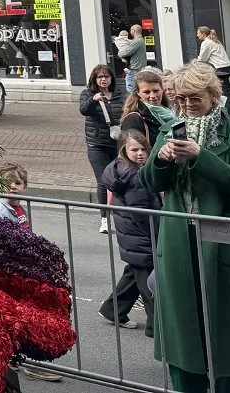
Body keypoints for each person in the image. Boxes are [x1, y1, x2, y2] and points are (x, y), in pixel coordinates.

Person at [142, 61, 230, 392]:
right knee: (184, 336)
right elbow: (148, 180)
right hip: (179, 246)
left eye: (195, 98)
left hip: (223, 247)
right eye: (182, 99)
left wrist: (200, 156)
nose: (187, 105)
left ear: (213, 96)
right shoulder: (169, 129)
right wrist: (160, 160)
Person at [98, 129, 159, 334]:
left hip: (132, 234)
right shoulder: (135, 175)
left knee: (135, 272)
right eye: (135, 149)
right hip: (141, 235)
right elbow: (141, 212)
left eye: (144, 149)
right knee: (148, 283)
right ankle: (155, 326)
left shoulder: (120, 168)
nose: (140, 153)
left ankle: (113, 309)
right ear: (124, 150)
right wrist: (156, 232)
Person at [79, 64, 124, 233]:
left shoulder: (120, 95)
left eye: (107, 76)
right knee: (103, 181)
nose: (104, 79)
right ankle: (104, 218)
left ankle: (121, 214)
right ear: (95, 80)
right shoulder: (87, 94)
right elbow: (83, 110)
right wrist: (94, 99)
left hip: (118, 145)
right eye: (100, 77)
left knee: (120, 179)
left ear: (112, 79)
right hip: (97, 144)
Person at [122, 68, 167, 145]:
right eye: (146, 92)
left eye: (156, 91)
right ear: (138, 93)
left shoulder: (171, 112)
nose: (152, 96)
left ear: (162, 90)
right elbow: (132, 152)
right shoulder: (133, 120)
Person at [196, 26, 230, 111]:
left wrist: (195, 62)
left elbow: (202, 59)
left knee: (224, 92)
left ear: (203, 34)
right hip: (225, 67)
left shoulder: (206, 43)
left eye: (198, 33)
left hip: (220, 69)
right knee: (225, 91)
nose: (197, 35)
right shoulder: (215, 41)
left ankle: (229, 111)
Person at [113, 25, 148, 93]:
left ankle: (132, 102)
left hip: (134, 69)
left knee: (131, 90)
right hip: (137, 68)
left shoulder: (137, 41)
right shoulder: (139, 40)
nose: (130, 32)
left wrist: (119, 54)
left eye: (131, 30)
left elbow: (125, 52)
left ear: (133, 31)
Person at [0, 164, 30, 228]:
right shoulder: (0, 213)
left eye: (18, 183)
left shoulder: (22, 209)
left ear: (24, 187)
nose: (12, 186)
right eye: (7, 183)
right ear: (0, 187)